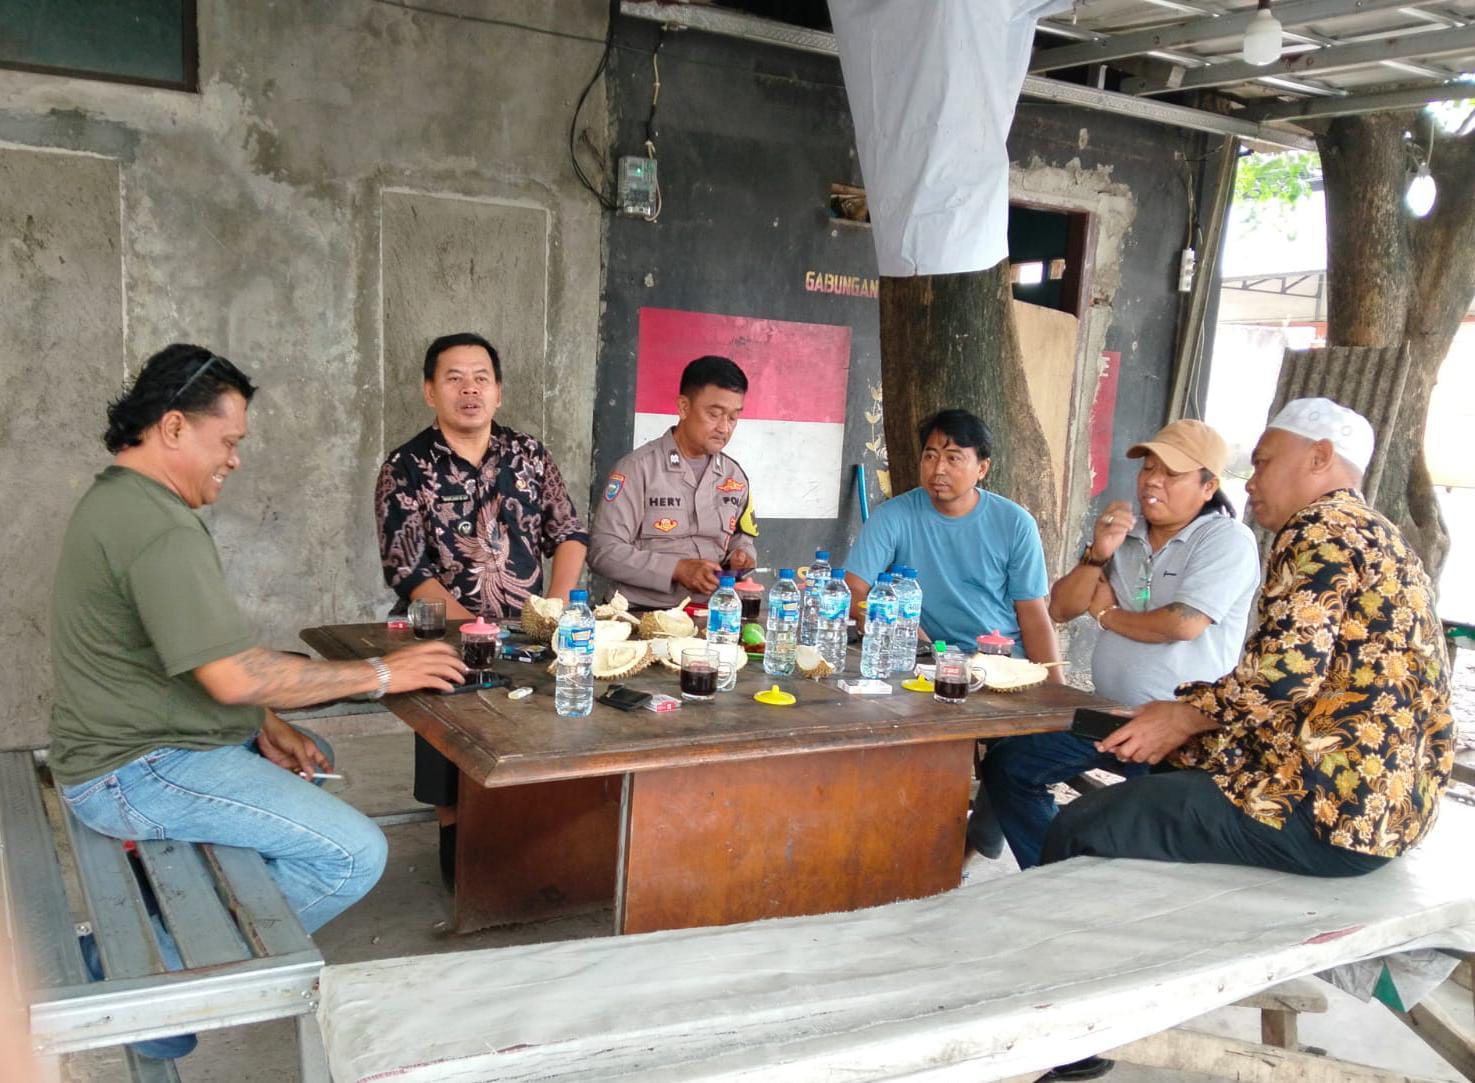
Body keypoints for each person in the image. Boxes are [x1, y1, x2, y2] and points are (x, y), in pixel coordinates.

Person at [50, 344, 465, 1058]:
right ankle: (148, 978)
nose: (235, 460)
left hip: (137, 742)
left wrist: (262, 721)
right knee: (353, 855)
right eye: (228, 441)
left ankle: (173, 918)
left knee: (311, 755)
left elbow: (194, 659)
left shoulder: (125, 501)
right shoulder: (155, 526)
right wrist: (381, 674)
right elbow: (233, 675)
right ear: (173, 427)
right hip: (132, 768)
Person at [1044, 397, 1454, 876]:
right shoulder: (1374, 530)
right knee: (1166, 779)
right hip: (1388, 810)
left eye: (1263, 462)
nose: (1251, 481)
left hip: (1327, 809)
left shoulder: (1320, 527)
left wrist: (1183, 716)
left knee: (1080, 826)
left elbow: (1286, 673)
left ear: (1320, 457)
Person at [973, 419, 1261, 869]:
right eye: (1149, 468)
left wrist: (1107, 614)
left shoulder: (1226, 539)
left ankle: (1081, 878)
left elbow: (1182, 623)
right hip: (1109, 714)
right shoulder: (1128, 534)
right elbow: (1062, 607)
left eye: (1171, 473)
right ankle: (1056, 876)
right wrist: (1098, 554)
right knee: (1009, 764)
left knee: (1126, 826)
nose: (1152, 481)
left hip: (1179, 727)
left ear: (1208, 487)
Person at [375, 332, 588, 880]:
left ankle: (536, 851)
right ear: (430, 391)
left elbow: (568, 532)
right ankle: (459, 852)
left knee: (534, 742)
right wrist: (472, 630)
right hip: (446, 638)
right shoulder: (406, 466)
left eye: (481, 379)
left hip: (530, 634)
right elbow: (408, 569)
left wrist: (558, 606)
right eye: (454, 379)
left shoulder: (529, 456)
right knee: (451, 756)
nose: (469, 390)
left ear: (498, 391)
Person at [842, 409, 1062, 669]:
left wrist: (1055, 684)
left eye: (953, 458)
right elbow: (853, 588)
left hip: (998, 661)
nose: (938, 469)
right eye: (930, 456)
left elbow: (1033, 615)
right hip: (922, 659)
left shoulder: (1015, 523)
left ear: (982, 468)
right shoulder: (892, 516)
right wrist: (897, 624)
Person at [588, 355, 757, 609]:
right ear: (684, 407)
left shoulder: (735, 477)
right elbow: (603, 552)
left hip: (711, 613)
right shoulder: (638, 469)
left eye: (733, 418)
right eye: (714, 414)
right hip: (641, 613)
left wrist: (742, 556)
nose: (724, 428)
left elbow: (742, 537)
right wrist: (676, 569)